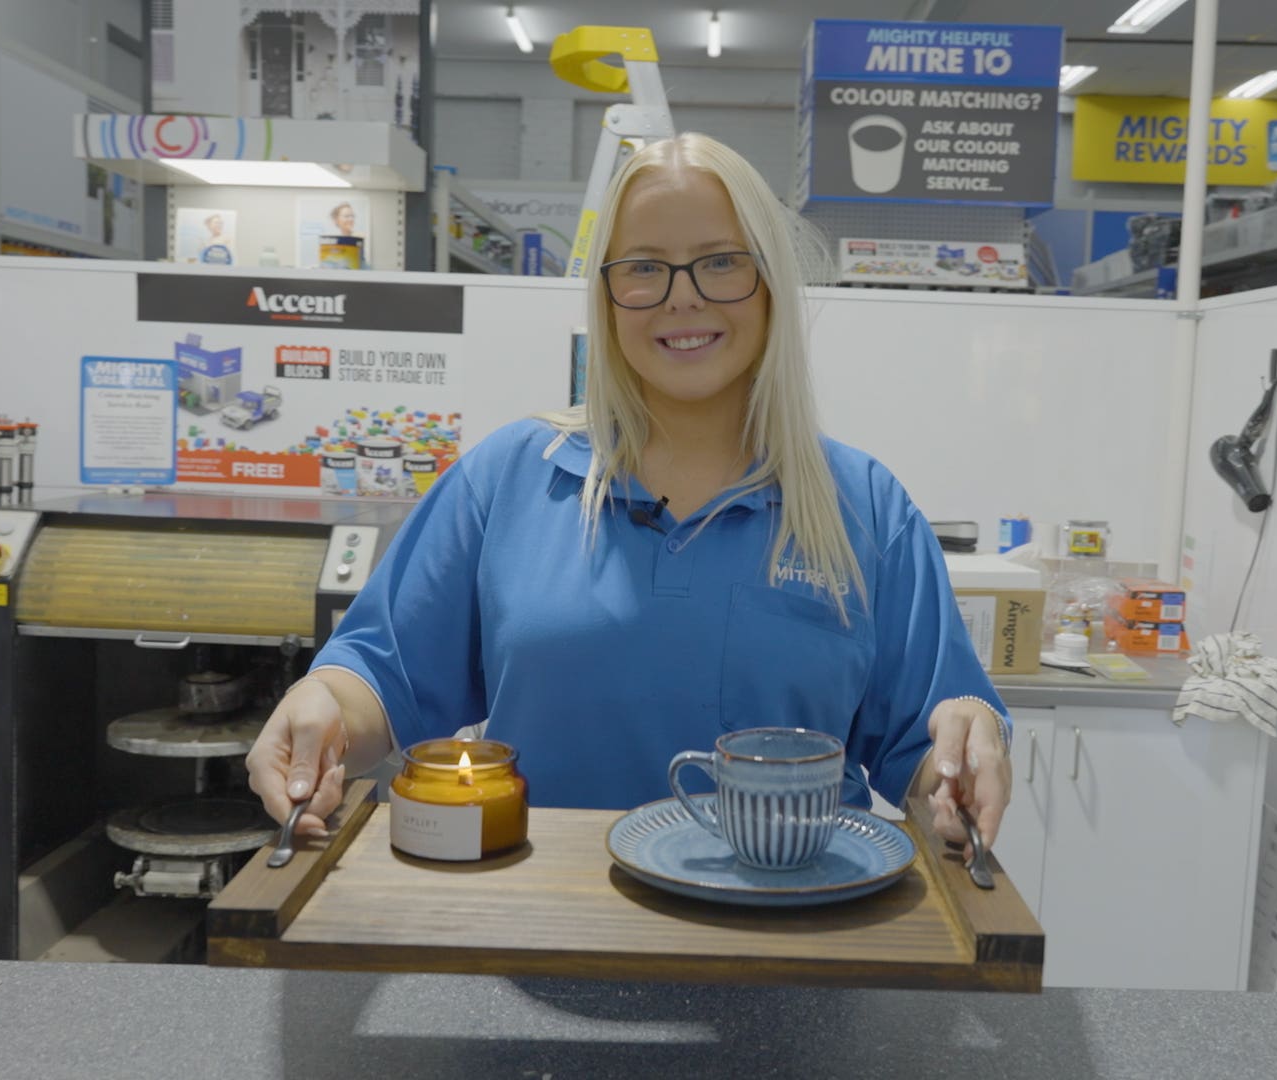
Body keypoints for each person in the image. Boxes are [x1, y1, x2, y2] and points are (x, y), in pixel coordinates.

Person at [246, 133, 1010, 855]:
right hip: (544, 943)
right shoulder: (513, 476)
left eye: (720, 262)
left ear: (770, 282)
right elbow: (383, 676)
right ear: (606, 297)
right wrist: (322, 705)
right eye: (643, 267)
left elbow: (929, 748)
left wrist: (966, 738)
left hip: (797, 946)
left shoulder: (864, 507)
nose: (682, 298)